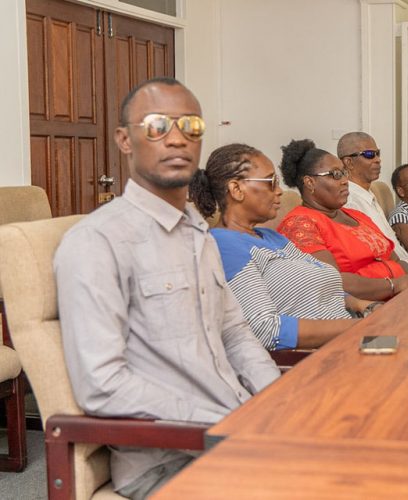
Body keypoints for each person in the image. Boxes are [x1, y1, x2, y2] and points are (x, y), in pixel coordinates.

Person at [54, 78, 280, 500]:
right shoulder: (98, 242)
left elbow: (235, 334)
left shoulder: (198, 232)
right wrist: (223, 422)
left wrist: (276, 403)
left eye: (191, 126)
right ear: (125, 139)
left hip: (235, 435)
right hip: (171, 460)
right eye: (157, 126)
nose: (177, 139)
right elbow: (102, 383)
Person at [189, 143, 379, 351]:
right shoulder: (224, 244)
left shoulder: (271, 238)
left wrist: (363, 306)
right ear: (236, 189)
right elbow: (265, 330)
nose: (279, 191)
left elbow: (319, 287)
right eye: (271, 182)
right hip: (316, 357)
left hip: (351, 337)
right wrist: (356, 327)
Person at [277, 139, 408, 301]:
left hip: (404, 296)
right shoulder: (300, 223)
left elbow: (394, 258)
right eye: (336, 175)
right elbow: (331, 282)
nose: (345, 180)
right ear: (310, 182)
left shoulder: (357, 215)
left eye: (344, 173)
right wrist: (394, 285)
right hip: (367, 309)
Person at [337, 131, 408, 269]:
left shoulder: (368, 195)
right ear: (349, 162)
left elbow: (394, 248)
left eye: (378, 153)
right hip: (395, 279)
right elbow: (376, 257)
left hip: (407, 270)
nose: (378, 160)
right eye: (369, 155)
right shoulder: (350, 203)